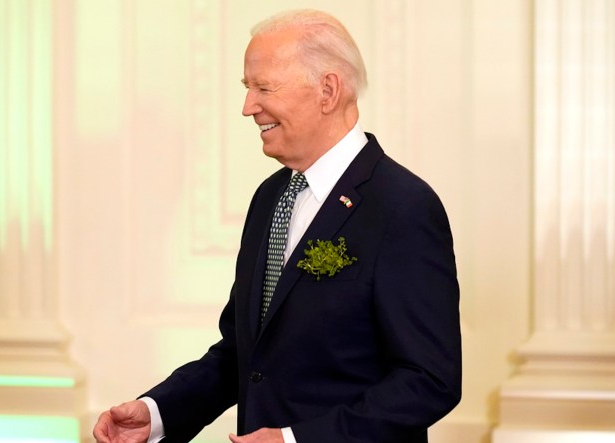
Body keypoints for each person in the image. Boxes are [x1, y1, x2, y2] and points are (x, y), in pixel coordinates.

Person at [93, 9, 461, 443]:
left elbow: (429, 381)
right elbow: (244, 357)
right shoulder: (271, 198)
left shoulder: (404, 208)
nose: (248, 107)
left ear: (327, 90)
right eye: (247, 88)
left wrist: (296, 440)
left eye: (263, 88)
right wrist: (157, 413)